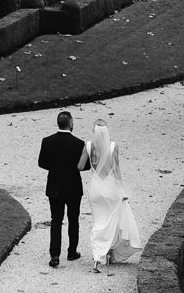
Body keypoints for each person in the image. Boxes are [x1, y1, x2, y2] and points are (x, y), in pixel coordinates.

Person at [80, 118, 142, 273]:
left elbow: (80, 166)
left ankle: (97, 257)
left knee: (98, 222)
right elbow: (117, 171)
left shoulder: (88, 145)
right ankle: (107, 253)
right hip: (110, 189)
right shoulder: (113, 146)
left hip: (95, 189)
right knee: (112, 221)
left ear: (94, 131)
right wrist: (122, 190)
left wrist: (92, 164)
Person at [38, 111, 87, 269]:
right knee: (73, 219)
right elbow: (84, 166)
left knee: (56, 220)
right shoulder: (79, 144)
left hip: (55, 187)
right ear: (71, 123)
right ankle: (72, 252)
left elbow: (42, 163)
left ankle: (54, 255)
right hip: (73, 187)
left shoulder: (47, 141)